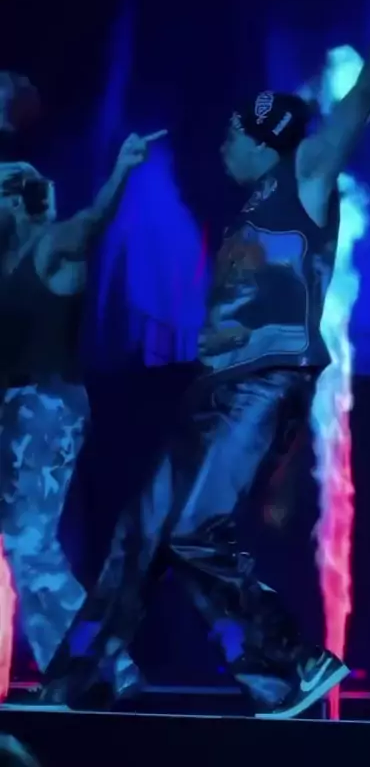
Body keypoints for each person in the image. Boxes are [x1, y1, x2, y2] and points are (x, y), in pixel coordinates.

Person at [42, 0, 370, 719]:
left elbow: (364, 95)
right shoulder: (249, 209)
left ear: (265, 137)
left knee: (195, 529)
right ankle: (85, 675)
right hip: (213, 388)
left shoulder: (305, 177)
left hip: (263, 383)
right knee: (141, 529)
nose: (221, 145)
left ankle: (290, 664)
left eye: (233, 133)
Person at [0, 118, 167, 699]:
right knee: (23, 548)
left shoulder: (54, 244)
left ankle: (106, 667)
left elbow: (94, 222)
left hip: (48, 407)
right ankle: (81, 670)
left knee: (31, 546)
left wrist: (121, 171)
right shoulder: (7, 264)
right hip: (18, 410)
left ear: (15, 200)